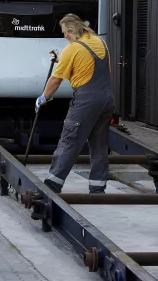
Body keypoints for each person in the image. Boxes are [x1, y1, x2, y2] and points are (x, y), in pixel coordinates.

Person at [37, 13, 116, 194]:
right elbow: (85, 63)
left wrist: (43, 97)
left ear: (72, 30)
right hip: (106, 99)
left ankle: (53, 183)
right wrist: (61, 59)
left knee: (70, 139)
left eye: (64, 32)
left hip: (86, 100)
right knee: (99, 142)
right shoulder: (99, 41)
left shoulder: (72, 48)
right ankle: (98, 187)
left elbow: (55, 80)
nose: (64, 35)